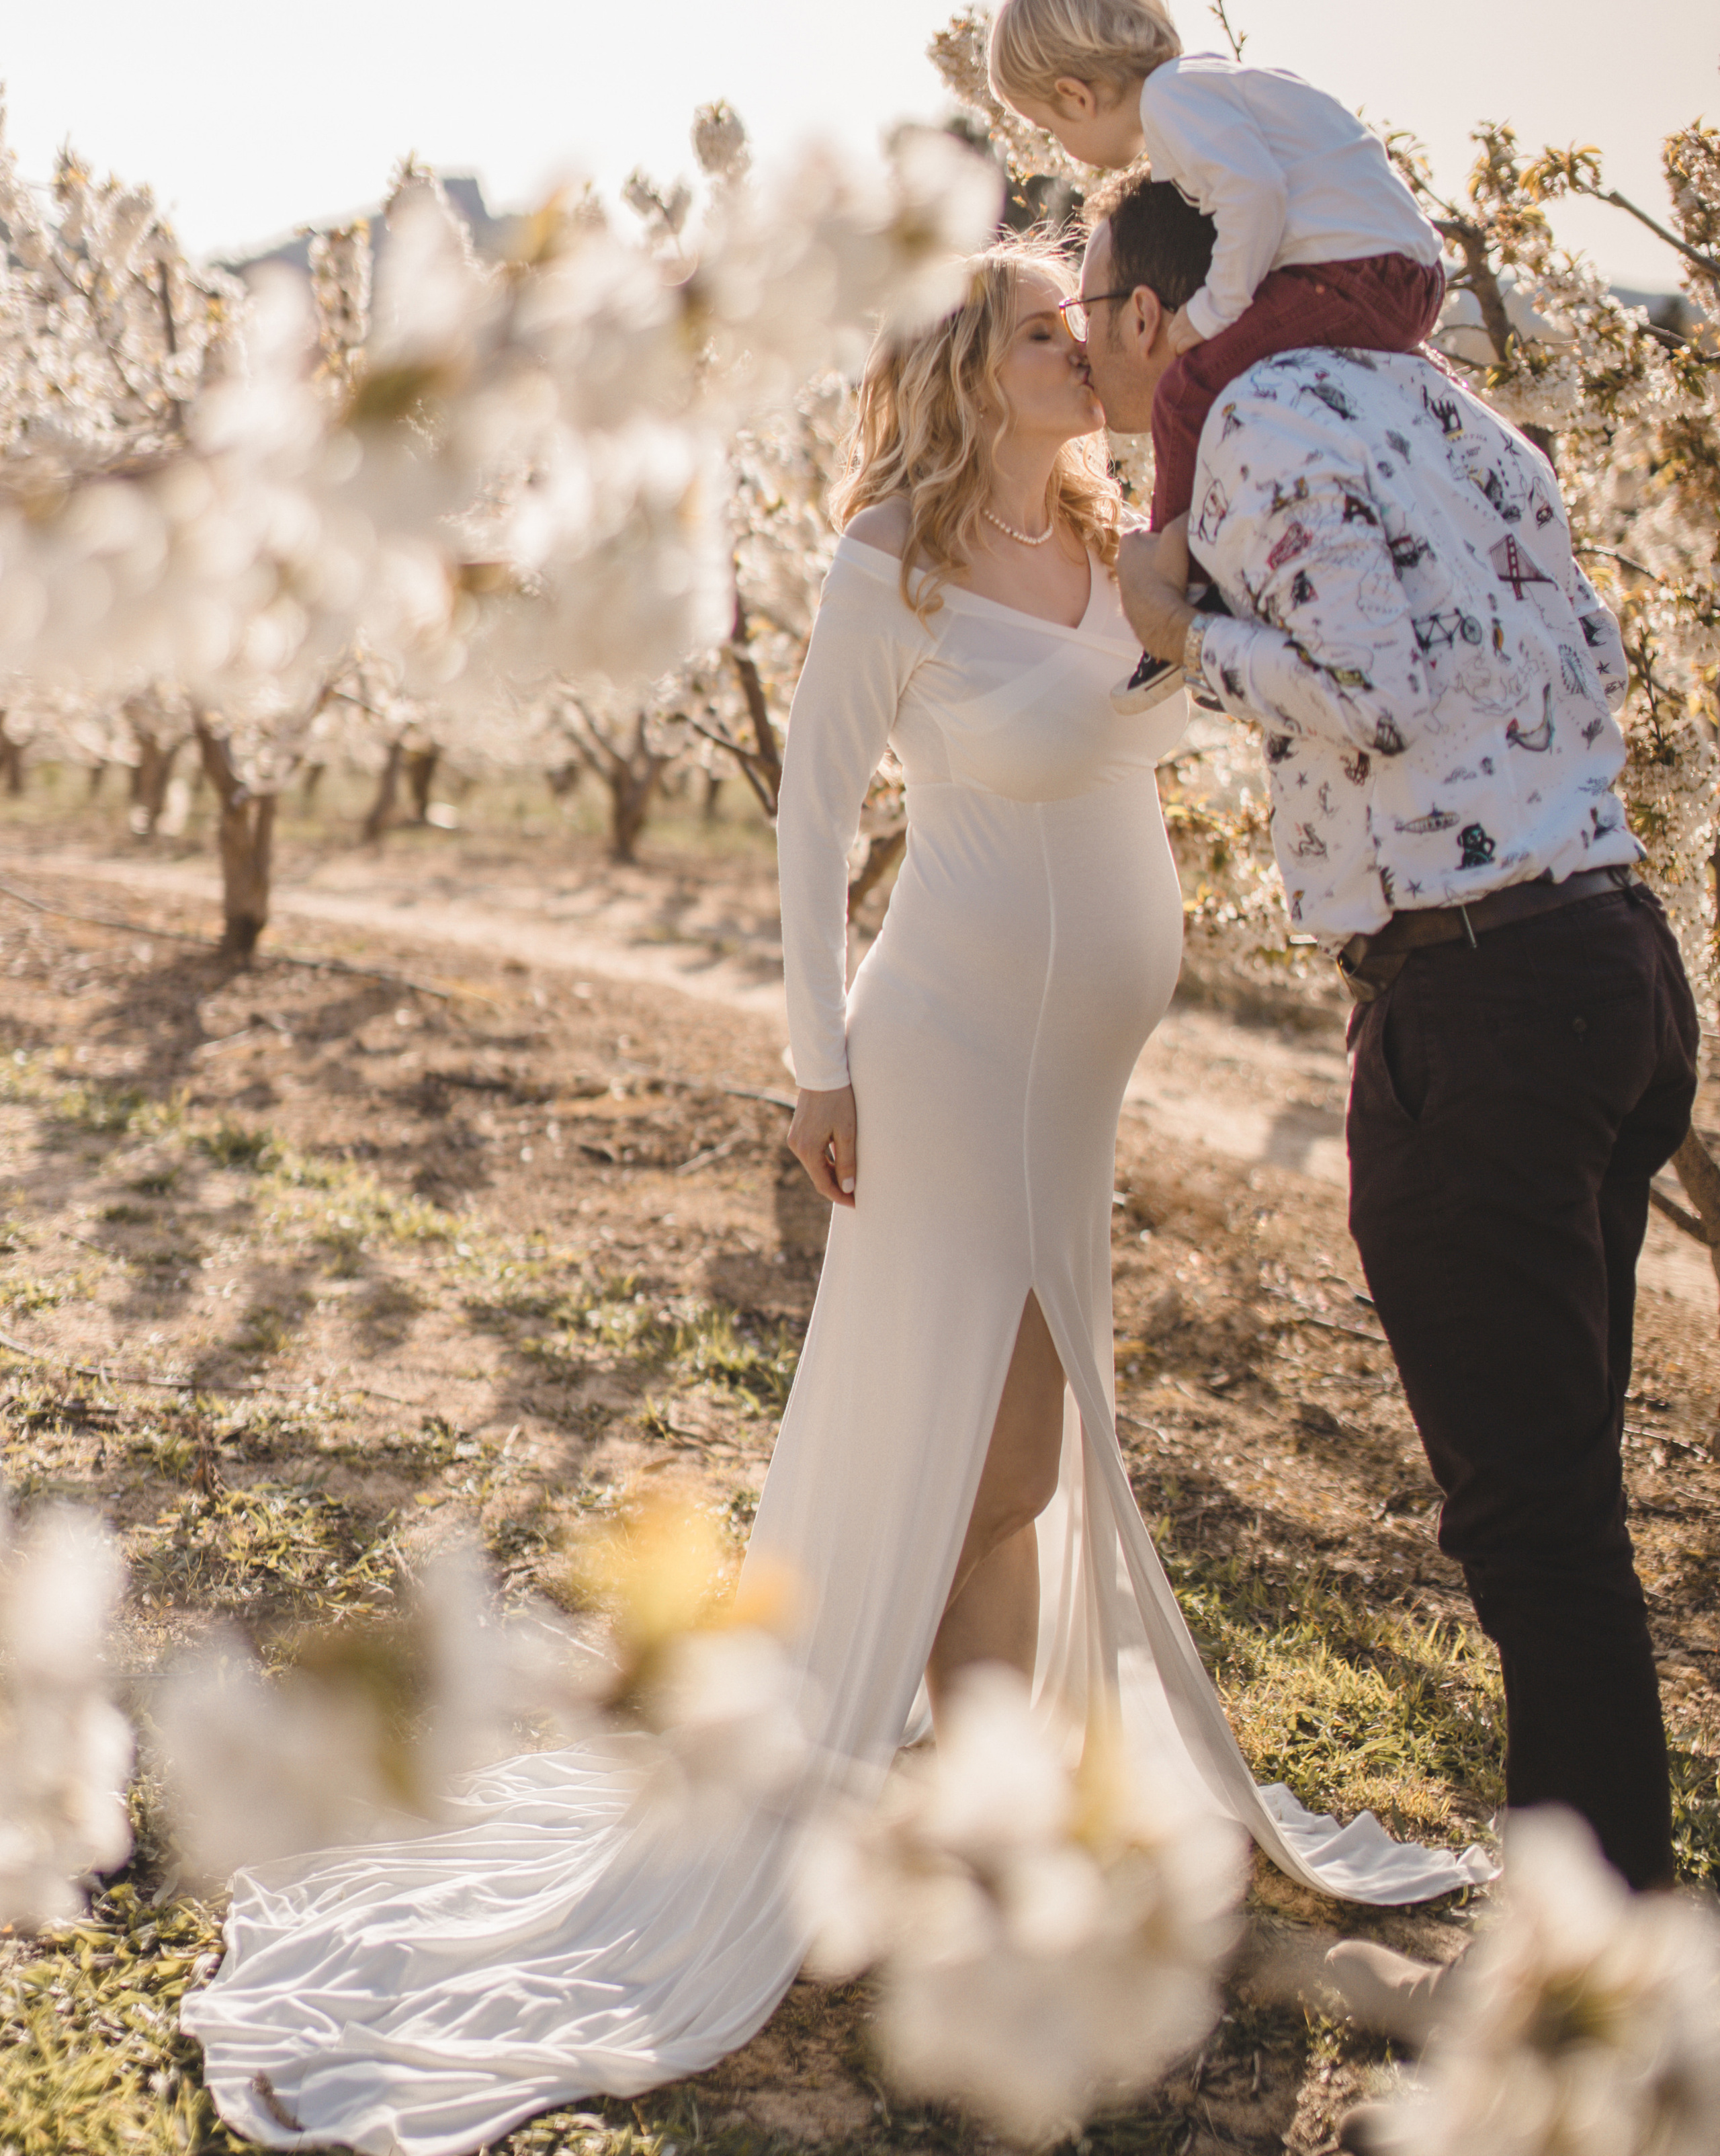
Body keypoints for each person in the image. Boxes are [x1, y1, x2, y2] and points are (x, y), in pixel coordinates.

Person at [183, 242, 1486, 2156]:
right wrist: (818, 1060)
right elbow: (808, 824)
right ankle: (977, 1831)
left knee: (1023, 1442)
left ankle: (982, 1817)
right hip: (954, 1047)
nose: (1093, 349)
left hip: (1076, 1080)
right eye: (1051, 331)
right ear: (969, 365)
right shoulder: (896, 560)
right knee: (992, 1450)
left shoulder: (1123, 528)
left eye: (1083, 326)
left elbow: (1202, 707)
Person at [1080, 169, 1700, 1896]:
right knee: (1560, 1509)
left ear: (1147, 315)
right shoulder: (1435, 401)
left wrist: (1178, 634)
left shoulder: (1259, 425)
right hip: (1611, 964)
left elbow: (1375, 690)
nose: (1095, 358)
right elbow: (1568, 647)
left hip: (1481, 1001)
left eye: (1085, 314)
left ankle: (1593, 1993)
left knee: (1532, 1530)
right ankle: (1598, 1923)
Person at [989, 0, 1446, 710]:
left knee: (1187, 389)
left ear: (1076, 94)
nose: (1062, 148)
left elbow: (1254, 196)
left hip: (1357, 272)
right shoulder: (1216, 87)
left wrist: (1208, 313)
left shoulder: (1175, 103)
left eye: (1052, 127)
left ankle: (1177, 590)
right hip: (1403, 270)